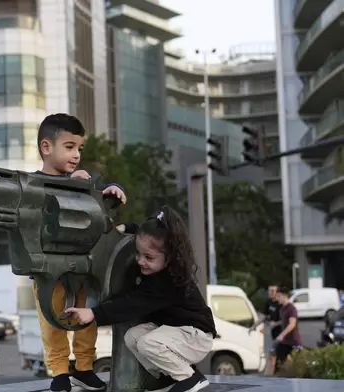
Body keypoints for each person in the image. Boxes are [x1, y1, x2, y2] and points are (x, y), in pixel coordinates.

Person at [66, 207, 216, 392]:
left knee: (148, 343)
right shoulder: (155, 260)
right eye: (138, 254)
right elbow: (142, 231)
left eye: (149, 257)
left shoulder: (168, 282)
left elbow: (132, 304)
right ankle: (167, 378)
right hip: (174, 331)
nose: (141, 261)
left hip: (196, 336)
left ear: (169, 258)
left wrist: (94, 313)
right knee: (132, 337)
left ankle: (190, 378)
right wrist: (125, 228)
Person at [33, 113, 126, 392]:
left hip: (84, 266)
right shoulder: (33, 182)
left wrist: (111, 189)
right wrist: (72, 183)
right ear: (46, 147)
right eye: (69, 147)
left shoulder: (82, 180)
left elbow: (107, 196)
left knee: (87, 317)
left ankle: (85, 367)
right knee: (52, 321)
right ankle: (60, 371)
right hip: (49, 268)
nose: (76, 155)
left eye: (79, 149)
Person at [249, 285, 281, 375]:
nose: (271, 293)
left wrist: (275, 323)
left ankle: (270, 376)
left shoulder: (281, 304)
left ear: (277, 292)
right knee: (275, 355)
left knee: (273, 355)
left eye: (273, 291)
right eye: (269, 291)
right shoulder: (269, 302)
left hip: (282, 333)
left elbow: (286, 320)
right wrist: (254, 326)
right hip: (273, 333)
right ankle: (275, 374)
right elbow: (264, 317)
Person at [272, 286, 302, 372]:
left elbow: (292, 324)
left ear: (285, 296)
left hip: (294, 341)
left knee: (299, 364)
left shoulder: (291, 308)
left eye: (279, 296)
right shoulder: (282, 309)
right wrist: (276, 323)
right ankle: (276, 381)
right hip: (285, 341)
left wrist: (281, 335)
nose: (277, 299)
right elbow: (284, 321)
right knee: (279, 363)